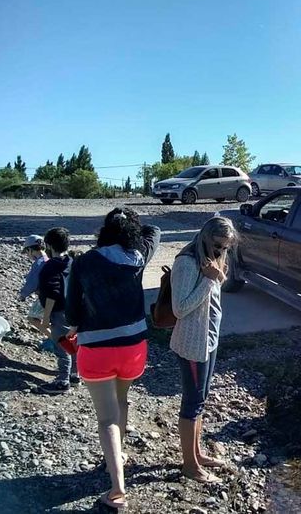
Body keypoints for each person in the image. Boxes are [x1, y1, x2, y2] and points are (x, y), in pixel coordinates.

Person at [65, 208, 161, 510]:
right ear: (132, 232)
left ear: (103, 231)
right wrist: (132, 226)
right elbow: (154, 231)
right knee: (122, 401)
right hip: (134, 344)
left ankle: (117, 489)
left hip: (97, 346)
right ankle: (118, 456)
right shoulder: (139, 255)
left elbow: (71, 312)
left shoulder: (85, 262)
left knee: (105, 417)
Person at [170, 216, 237, 484]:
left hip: (208, 341)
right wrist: (210, 280)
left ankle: (196, 454)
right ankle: (190, 465)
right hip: (192, 344)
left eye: (227, 247)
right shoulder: (187, 263)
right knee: (192, 402)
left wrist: (216, 276)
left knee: (201, 400)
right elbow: (180, 309)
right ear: (206, 238)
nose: (222, 251)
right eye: (219, 246)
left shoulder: (212, 260)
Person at [35, 227, 78, 394]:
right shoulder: (72, 262)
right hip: (74, 310)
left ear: (49, 246)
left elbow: (52, 293)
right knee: (73, 343)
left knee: (62, 346)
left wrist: (46, 318)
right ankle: (75, 375)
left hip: (59, 311)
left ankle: (62, 381)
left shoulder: (50, 266)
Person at [19, 234, 48, 329]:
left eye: (27, 253)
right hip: (58, 295)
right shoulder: (49, 258)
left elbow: (32, 282)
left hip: (46, 296)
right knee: (51, 319)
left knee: (32, 317)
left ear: (30, 250)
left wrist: (23, 295)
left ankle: (56, 339)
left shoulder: (39, 263)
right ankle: (59, 338)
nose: (27, 255)